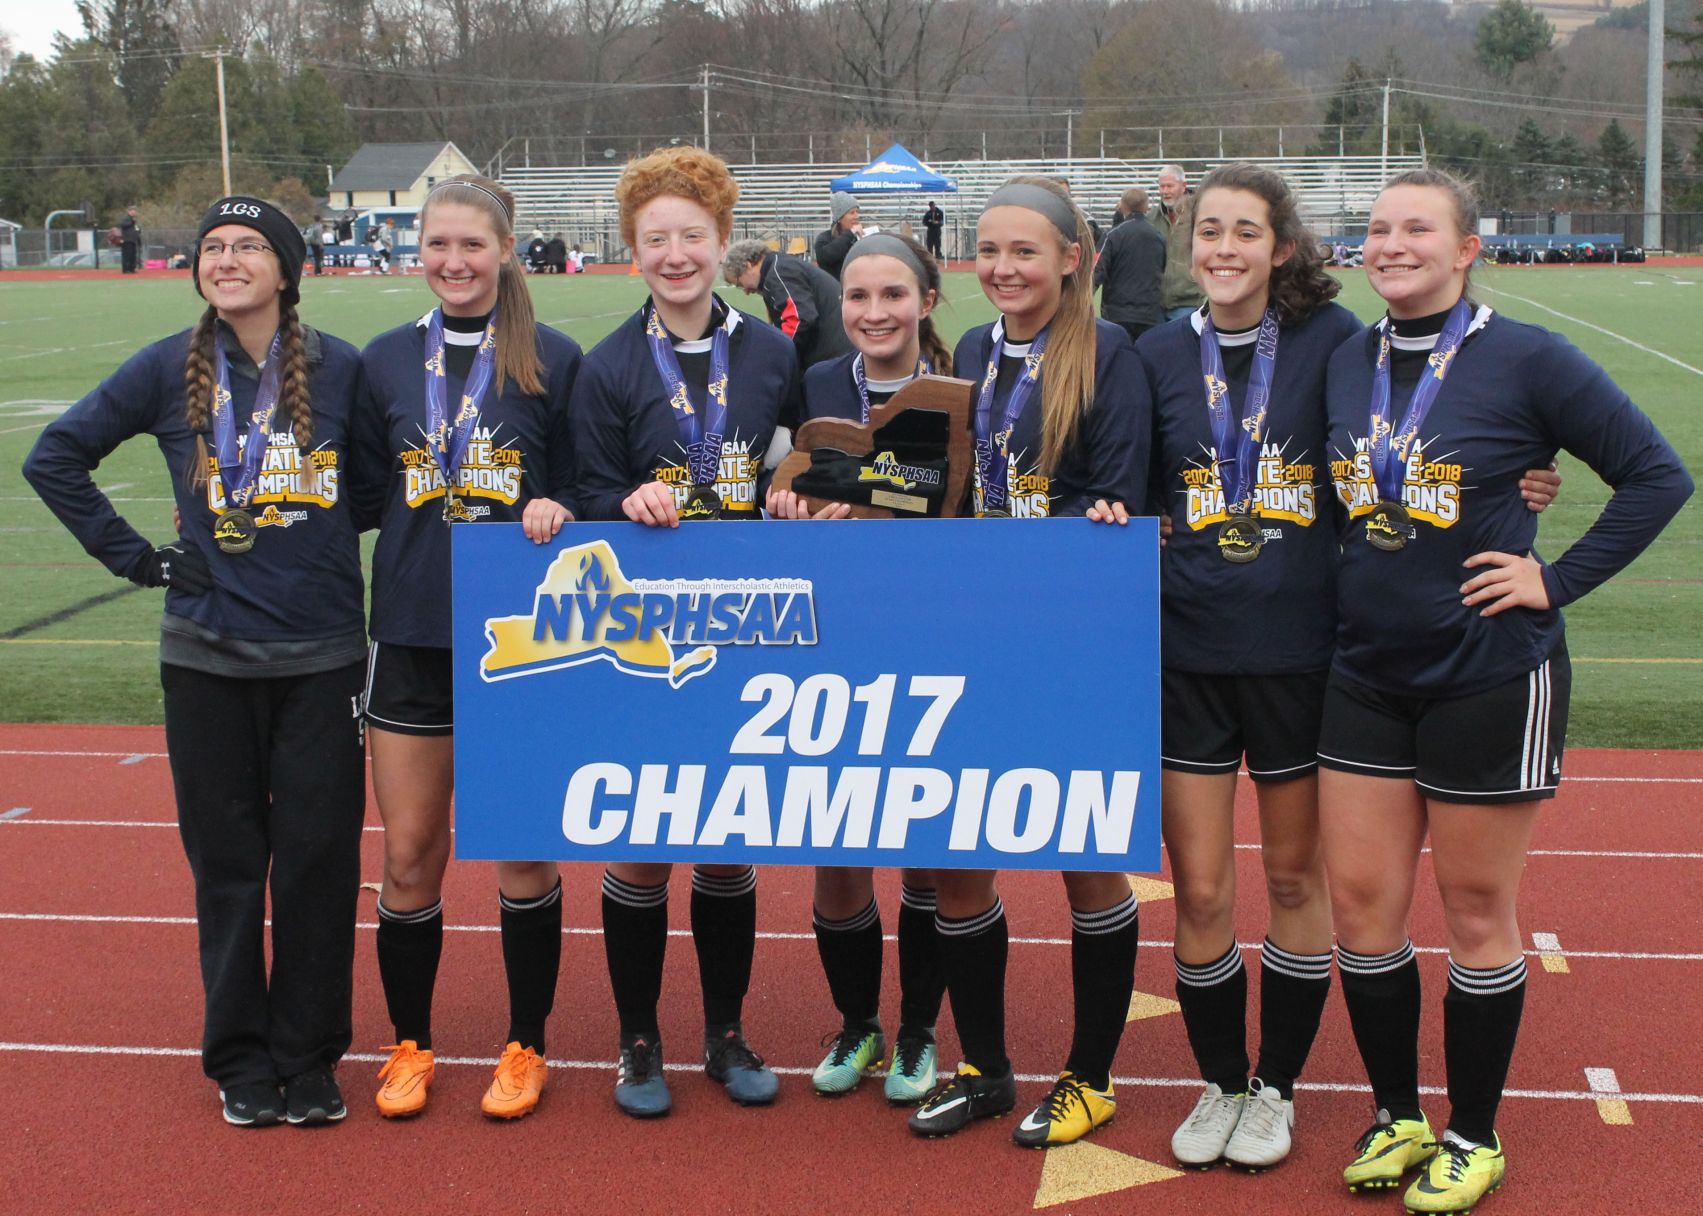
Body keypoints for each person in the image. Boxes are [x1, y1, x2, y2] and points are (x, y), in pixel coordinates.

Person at [1320, 168, 1691, 1213]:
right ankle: (1395, 1112)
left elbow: (1656, 475)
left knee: (1476, 909)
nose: (1391, 244)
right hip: (1361, 670)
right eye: (1378, 228)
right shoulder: (1344, 360)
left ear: (1466, 246)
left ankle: (1470, 1132)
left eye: (1416, 228)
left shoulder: (1527, 357)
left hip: (1487, 671)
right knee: (1360, 909)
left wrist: (1552, 576)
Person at [24, 196, 367, 1128]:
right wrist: (139, 558)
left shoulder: (343, 370)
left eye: (249, 246)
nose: (226, 259)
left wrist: (306, 532)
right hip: (207, 659)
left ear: (287, 270)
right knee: (227, 867)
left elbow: (379, 485)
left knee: (318, 865)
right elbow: (55, 459)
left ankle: (309, 1055)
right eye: (213, 247)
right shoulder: (167, 369)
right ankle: (240, 1059)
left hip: (323, 655)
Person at [907, 176, 1148, 1148]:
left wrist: (1097, 520)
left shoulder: (1111, 354)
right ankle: (985, 1066)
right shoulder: (968, 349)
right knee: (961, 868)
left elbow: (1119, 495)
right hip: (978, 641)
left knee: (1085, 868)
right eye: (988, 250)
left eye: (1023, 252)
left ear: (1070, 258)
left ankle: (1088, 1076)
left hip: (1073, 644)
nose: (1002, 268)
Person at [570, 145, 803, 1118]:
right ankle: (635, 1041)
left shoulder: (772, 353)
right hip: (644, 637)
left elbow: (802, 458)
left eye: (691, 236)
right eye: (655, 238)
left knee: (725, 844)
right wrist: (622, 499)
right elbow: (583, 494)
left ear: (720, 244)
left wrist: (791, 495)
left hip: (745, 627)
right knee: (639, 847)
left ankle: (723, 1029)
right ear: (633, 254)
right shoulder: (609, 365)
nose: (675, 254)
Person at [354, 174, 582, 1122]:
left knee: (522, 853)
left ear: (504, 250)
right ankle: (410, 1045)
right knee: (409, 855)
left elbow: (586, 489)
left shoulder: (554, 360)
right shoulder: (381, 361)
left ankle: (525, 1045)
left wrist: (558, 507)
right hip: (409, 631)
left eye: (471, 246)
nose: (453, 262)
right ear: (419, 251)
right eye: (436, 245)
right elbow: (358, 495)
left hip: (521, 640)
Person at [769, 232, 956, 1102]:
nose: (873, 313)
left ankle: (918, 1030)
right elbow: (790, 483)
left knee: (922, 845)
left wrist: (852, 486)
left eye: (892, 295)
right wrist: (789, 498)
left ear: (926, 298)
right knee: (835, 846)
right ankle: (857, 1027)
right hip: (831, 634)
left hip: (927, 628)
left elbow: (946, 496)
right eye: (857, 298)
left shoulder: (967, 391)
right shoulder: (812, 383)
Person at [722, 239, 855, 370]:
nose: (745, 291)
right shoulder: (781, 266)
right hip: (838, 352)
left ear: (748, 265)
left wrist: (773, 355)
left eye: (740, 284)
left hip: (833, 357)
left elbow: (799, 320)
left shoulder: (779, 272)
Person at [1094, 186, 1167, 344]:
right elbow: (1164, 269)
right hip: (1150, 314)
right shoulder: (1158, 236)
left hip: (1117, 315)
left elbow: (1097, 270)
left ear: (1122, 205)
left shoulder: (1113, 235)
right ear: (1146, 207)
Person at [1153, 166, 1204, 321]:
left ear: (1183, 186)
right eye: (1162, 186)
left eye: (1170, 186)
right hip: (1156, 303)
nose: (1165, 191)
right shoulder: (1152, 218)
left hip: (1188, 300)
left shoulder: (1198, 215)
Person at [815, 191, 864, 279]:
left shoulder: (860, 236)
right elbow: (824, 258)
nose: (857, 216)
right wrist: (850, 233)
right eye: (852, 213)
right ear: (839, 218)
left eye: (857, 211)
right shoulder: (824, 238)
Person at [119, 206, 142, 275]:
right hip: (127, 240)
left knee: (133, 255)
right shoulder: (126, 219)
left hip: (133, 240)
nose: (133, 212)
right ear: (128, 212)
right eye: (132, 211)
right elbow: (123, 225)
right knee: (127, 255)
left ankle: (132, 268)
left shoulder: (134, 220)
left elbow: (136, 229)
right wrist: (132, 223)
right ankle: (126, 269)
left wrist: (138, 230)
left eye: (134, 211)